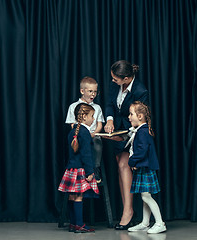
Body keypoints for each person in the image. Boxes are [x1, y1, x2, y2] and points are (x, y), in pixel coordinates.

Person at [104, 60, 149, 230]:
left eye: (116, 79)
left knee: (124, 166)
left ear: (127, 78)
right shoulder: (114, 85)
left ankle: (128, 212)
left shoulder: (140, 91)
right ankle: (127, 210)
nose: (113, 81)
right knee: (121, 168)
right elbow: (109, 104)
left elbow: (140, 120)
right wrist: (109, 120)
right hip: (117, 132)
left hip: (133, 135)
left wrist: (124, 135)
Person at [58, 103, 99, 233]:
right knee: (79, 196)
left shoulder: (72, 132)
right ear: (84, 116)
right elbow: (86, 154)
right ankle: (80, 224)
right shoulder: (85, 132)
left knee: (71, 195)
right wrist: (90, 171)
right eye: (92, 116)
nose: (93, 119)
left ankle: (73, 223)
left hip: (70, 169)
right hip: (81, 169)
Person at [126, 101, 166, 234]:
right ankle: (145, 222)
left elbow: (141, 152)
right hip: (143, 167)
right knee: (145, 196)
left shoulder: (142, 132)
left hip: (145, 168)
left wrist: (131, 162)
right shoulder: (142, 130)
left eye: (131, 114)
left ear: (140, 116)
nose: (129, 117)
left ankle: (160, 223)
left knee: (146, 197)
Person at [65, 76, 105, 183]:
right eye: (90, 91)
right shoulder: (74, 106)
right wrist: (84, 134)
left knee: (97, 143)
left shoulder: (97, 108)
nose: (93, 94)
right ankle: (80, 169)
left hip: (93, 136)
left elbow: (99, 124)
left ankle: (95, 168)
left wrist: (94, 133)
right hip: (80, 136)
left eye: (95, 92)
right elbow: (73, 124)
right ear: (82, 91)